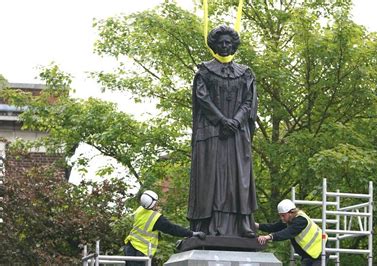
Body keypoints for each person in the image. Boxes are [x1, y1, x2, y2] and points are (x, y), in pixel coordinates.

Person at [187, 25, 258, 238]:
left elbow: (249, 101)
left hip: (237, 134)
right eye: (221, 42)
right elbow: (203, 99)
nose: (225, 46)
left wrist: (235, 121)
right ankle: (208, 226)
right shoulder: (204, 72)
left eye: (228, 42)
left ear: (234, 45)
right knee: (212, 179)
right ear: (214, 45)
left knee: (239, 179)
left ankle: (241, 225)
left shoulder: (245, 73)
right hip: (212, 133)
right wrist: (221, 121)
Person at [124, 190, 206, 266]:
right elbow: (172, 229)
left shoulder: (140, 210)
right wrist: (192, 233)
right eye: (156, 202)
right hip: (140, 252)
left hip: (129, 247)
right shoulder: (155, 218)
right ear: (153, 204)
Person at [256, 199, 324, 266]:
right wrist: (257, 225)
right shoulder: (289, 220)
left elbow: (287, 233)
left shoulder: (301, 221)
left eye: (283, 215)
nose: (282, 218)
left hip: (320, 250)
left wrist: (268, 237)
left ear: (291, 212)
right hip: (309, 254)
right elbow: (273, 227)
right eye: (280, 215)